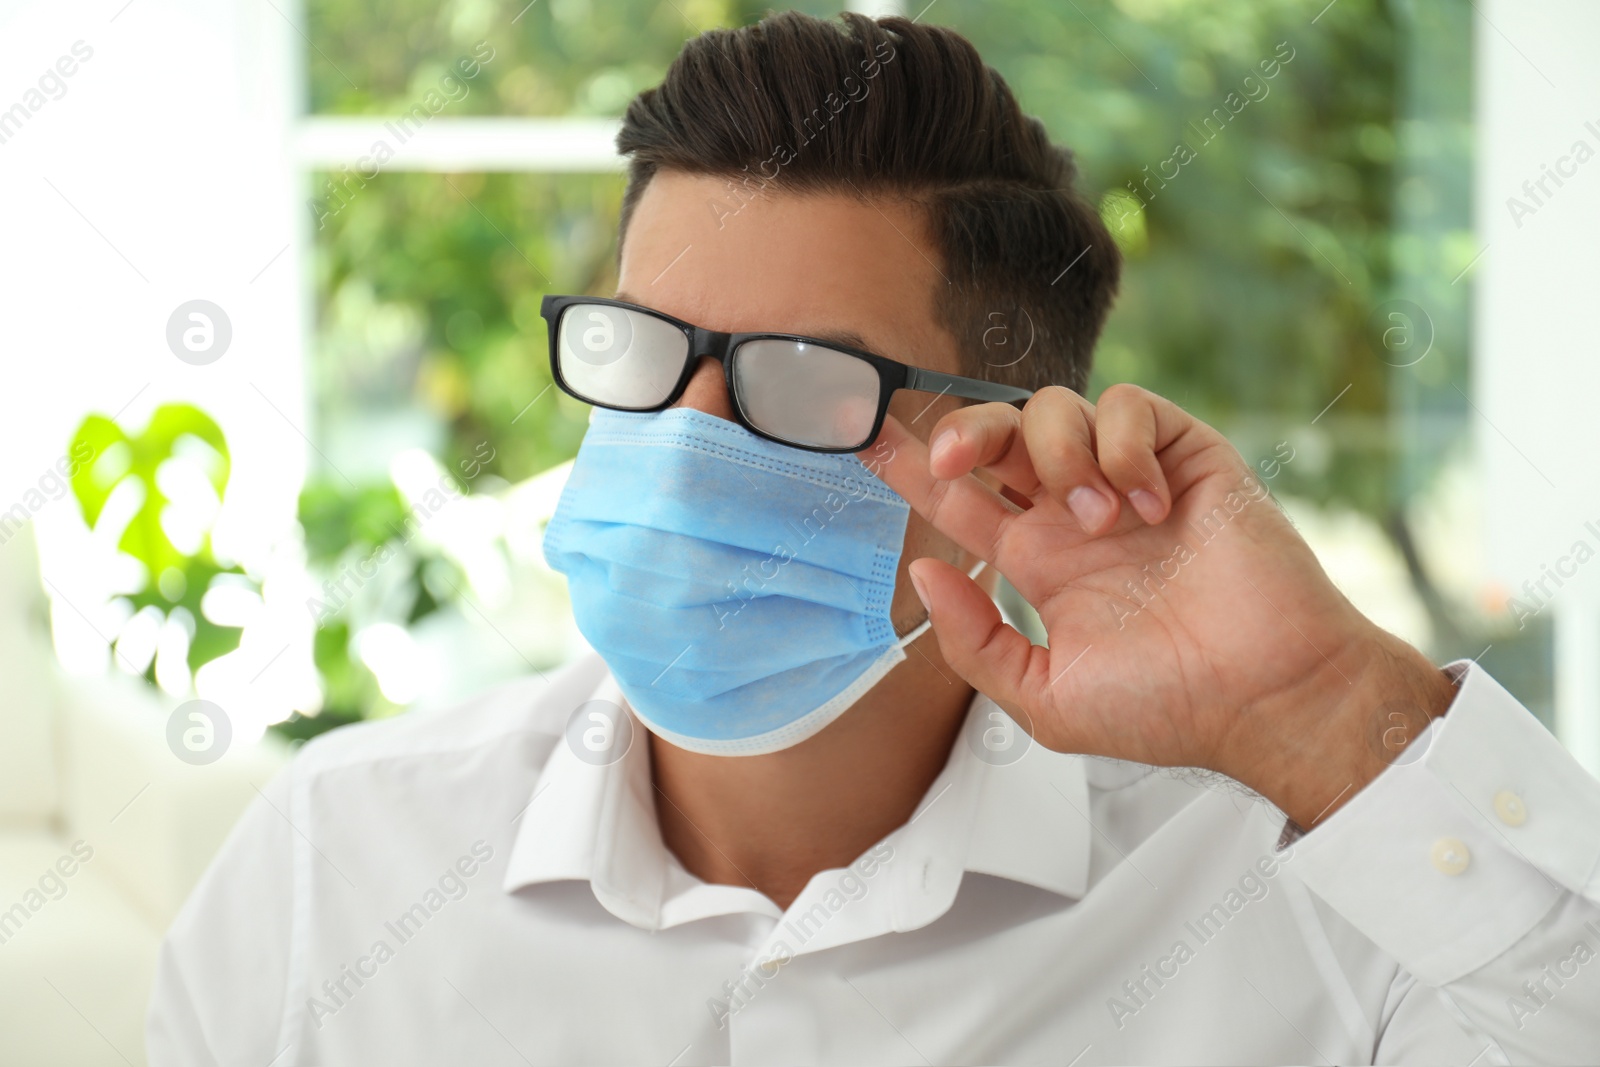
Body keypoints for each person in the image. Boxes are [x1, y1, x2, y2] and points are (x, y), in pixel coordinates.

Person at [148, 12, 1600, 1065]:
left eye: (801, 377)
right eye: (645, 348)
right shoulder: (333, 866)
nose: (684, 430)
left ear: (1016, 442)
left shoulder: (1309, 906)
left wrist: (1335, 716)